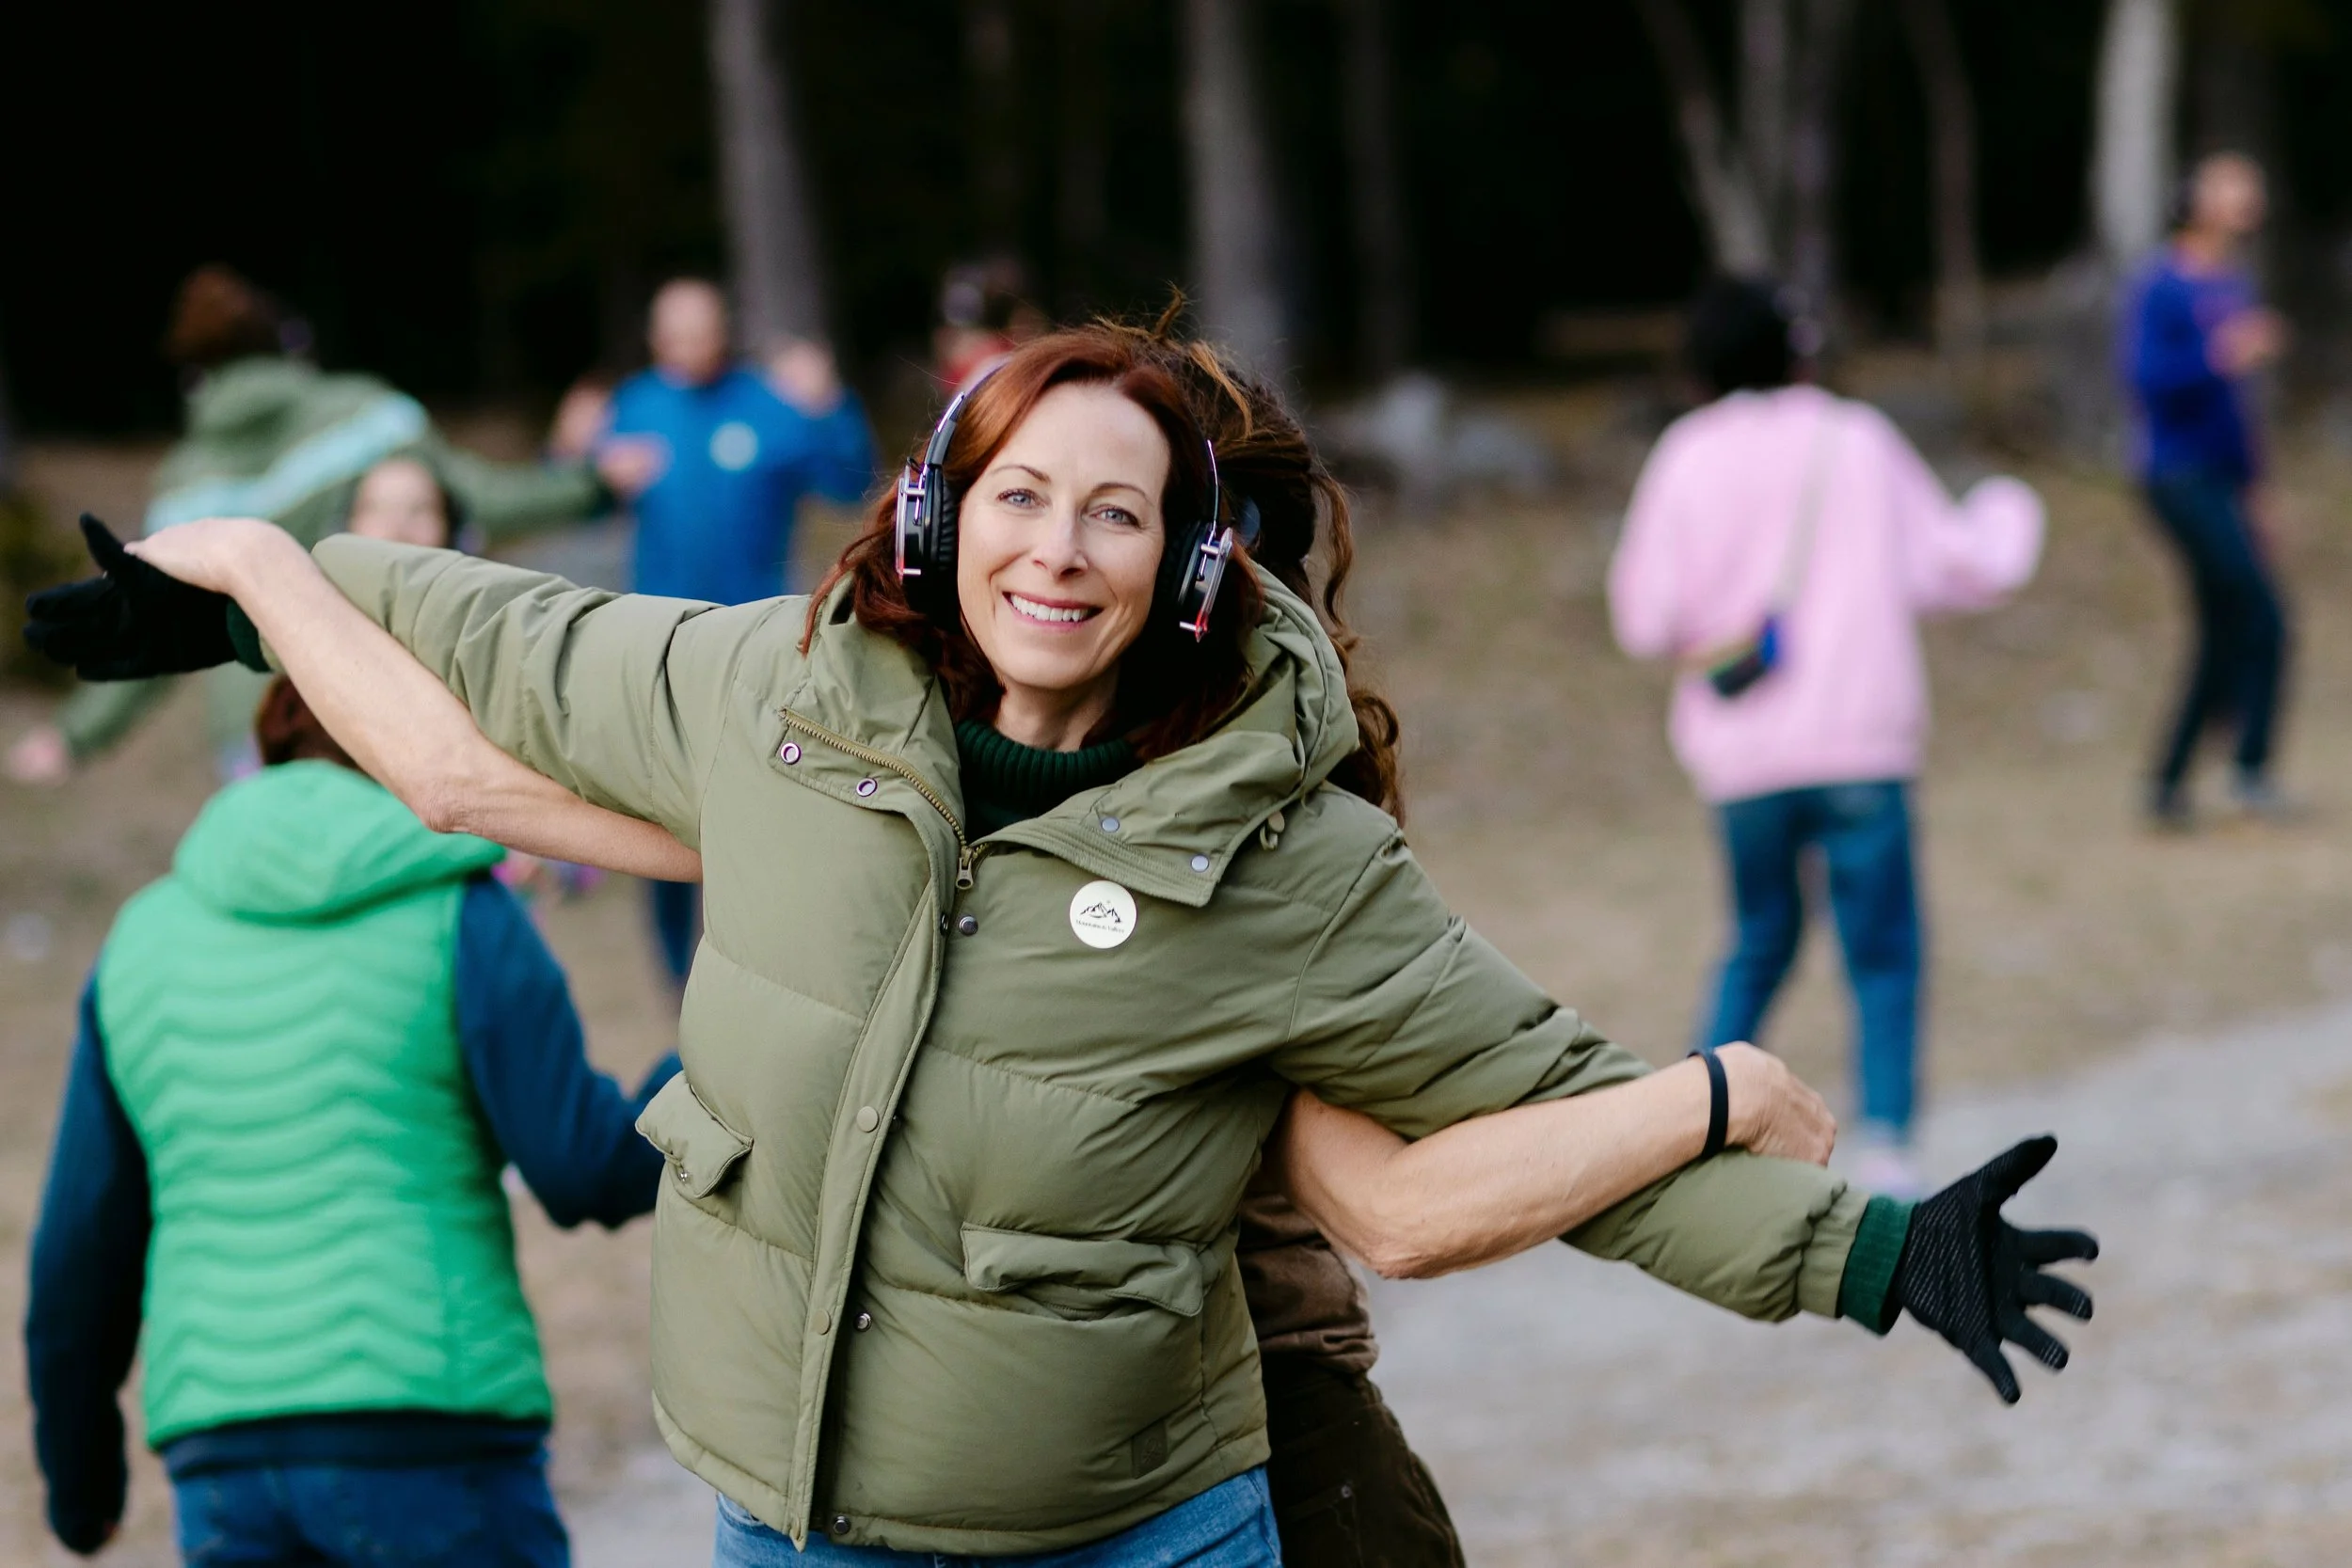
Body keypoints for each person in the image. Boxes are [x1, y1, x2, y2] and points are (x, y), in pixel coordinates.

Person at [38, 323, 2095, 1565]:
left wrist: (1857, 1249)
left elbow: (1509, 1132)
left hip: (1130, 1522)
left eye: (1116, 513)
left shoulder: (1279, 856)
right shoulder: (779, 705)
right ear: (943, 512)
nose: (1058, 546)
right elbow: (493, 647)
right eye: (1021, 494)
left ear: (1185, 563)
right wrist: (242, 583)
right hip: (797, 1517)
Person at [24, 675, 681, 1565]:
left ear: (268, 743)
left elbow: (77, 1249)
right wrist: (718, 1053)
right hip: (433, 1437)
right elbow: (581, 1167)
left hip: (224, 1458)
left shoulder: (140, 939)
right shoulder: (464, 909)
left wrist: (80, 1482)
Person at [1608, 277, 2045, 1199]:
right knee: (1882, 945)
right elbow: (1955, 563)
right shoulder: (1855, 438)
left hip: (1740, 754)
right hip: (1860, 742)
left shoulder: (1683, 455)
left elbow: (1644, 618)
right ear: (1798, 349)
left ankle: (1693, 1129)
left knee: (1758, 936)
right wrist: (2010, 509)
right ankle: (1886, 1142)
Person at [3, 265, 608, 786]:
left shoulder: (185, 480)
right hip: (389, 703)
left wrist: (72, 737)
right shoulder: (363, 414)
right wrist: (591, 482)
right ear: (286, 344)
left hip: (260, 728)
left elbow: (156, 627)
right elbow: (480, 500)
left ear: (193, 375)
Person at [592, 277, 877, 990]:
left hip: (758, 659)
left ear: (725, 330)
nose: (689, 345)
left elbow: (848, 481)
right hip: (658, 657)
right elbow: (581, 487)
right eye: (674, 332)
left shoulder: (769, 404)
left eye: (702, 329)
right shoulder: (635, 405)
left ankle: (756, 976)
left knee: (757, 825)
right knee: (654, 825)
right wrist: (578, 455)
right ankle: (673, 984)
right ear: (656, 338)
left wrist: (830, 402)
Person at [2122, 152, 2294, 828]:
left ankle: (2168, 783)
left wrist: (2258, 489)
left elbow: (2236, 409)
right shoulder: (2160, 284)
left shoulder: (2232, 282)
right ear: (2194, 196)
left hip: (2223, 475)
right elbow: (2144, 380)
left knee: (2227, 626)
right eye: (2230, 181)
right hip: (2174, 474)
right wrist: (2223, 352)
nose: (2248, 192)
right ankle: (2247, 769)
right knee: (2261, 614)